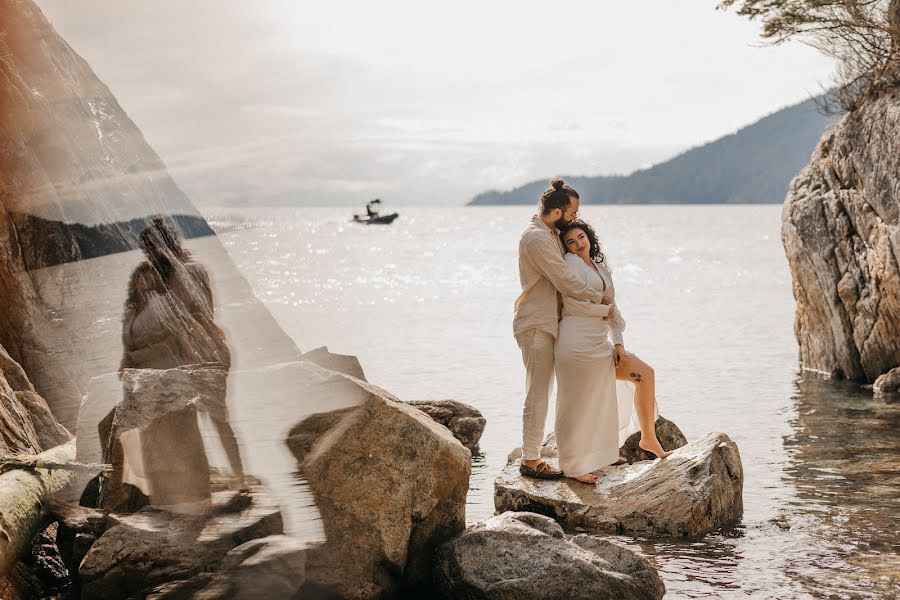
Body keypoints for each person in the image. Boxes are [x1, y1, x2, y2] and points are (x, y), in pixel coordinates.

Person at [113, 215, 246, 507]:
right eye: (145, 250)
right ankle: (197, 485)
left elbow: (197, 314)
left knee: (218, 417)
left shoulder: (191, 271)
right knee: (195, 420)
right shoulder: (164, 276)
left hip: (207, 355)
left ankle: (240, 479)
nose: (148, 255)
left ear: (166, 244)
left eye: (152, 249)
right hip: (187, 360)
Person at [554, 219, 670, 484]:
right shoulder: (570, 265)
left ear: (589, 237)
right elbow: (573, 302)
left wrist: (618, 343)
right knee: (576, 403)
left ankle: (648, 438)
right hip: (576, 341)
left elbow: (613, 308)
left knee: (644, 374)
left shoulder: (601, 266)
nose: (577, 244)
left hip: (600, 342)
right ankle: (572, 465)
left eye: (581, 237)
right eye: (571, 242)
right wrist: (603, 310)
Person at [513, 178, 607, 479]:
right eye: (572, 213)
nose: (575, 219)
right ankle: (530, 460)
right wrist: (599, 297)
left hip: (548, 322)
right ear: (556, 211)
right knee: (538, 391)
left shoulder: (548, 234)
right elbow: (564, 279)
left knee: (544, 389)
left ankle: (538, 453)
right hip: (536, 322)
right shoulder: (536, 239)